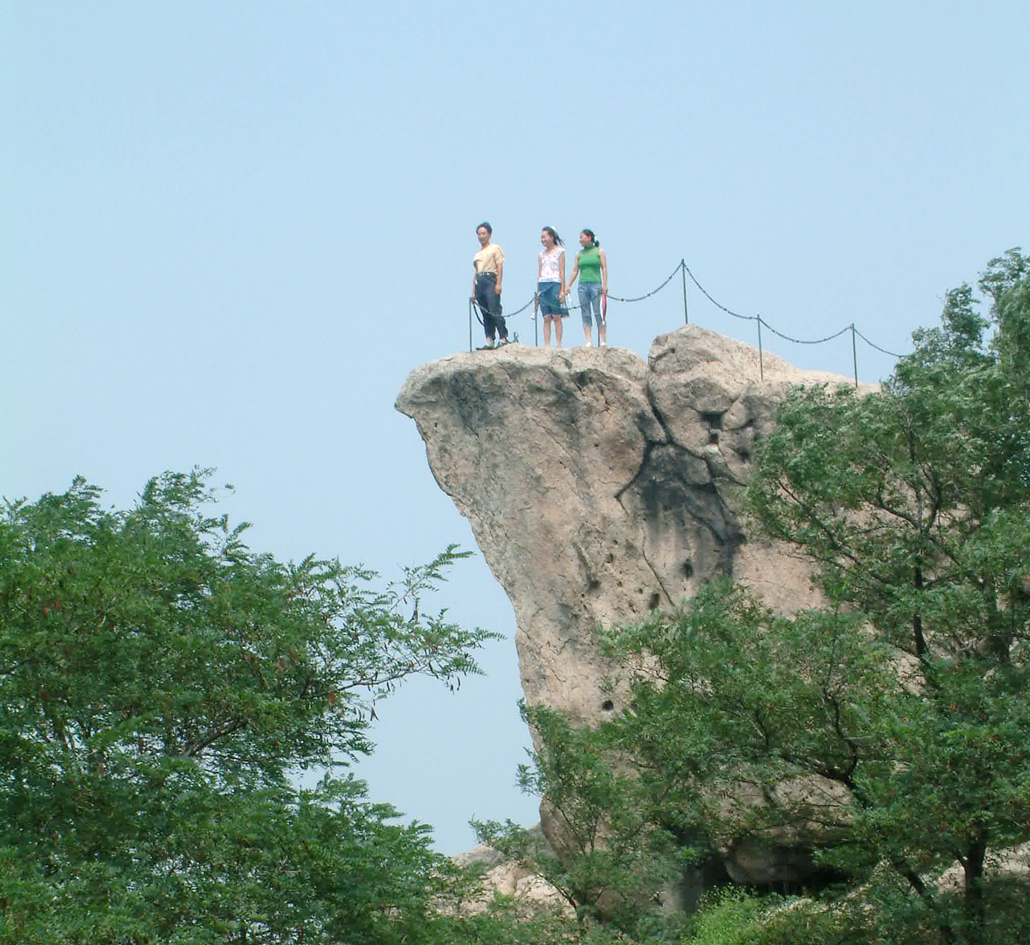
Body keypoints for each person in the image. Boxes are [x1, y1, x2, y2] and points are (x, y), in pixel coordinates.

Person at [564, 229, 608, 347]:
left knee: (598, 312)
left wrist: (605, 284)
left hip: (596, 284)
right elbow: (575, 270)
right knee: (585, 313)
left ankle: (603, 339)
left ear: (589, 237)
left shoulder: (599, 251)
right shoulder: (579, 253)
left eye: (581, 237)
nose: (579, 240)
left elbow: (604, 268)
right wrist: (568, 285)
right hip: (583, 285)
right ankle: (589, 340)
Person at [471, 222, 509, 348]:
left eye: (484, 233)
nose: (481, 236)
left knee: (494, 309)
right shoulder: (477, 254)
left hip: (490, 279)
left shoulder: (495, 248)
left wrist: (498, 283)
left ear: (489, 234)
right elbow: (476, 273)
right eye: (479, 234)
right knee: (485, 312)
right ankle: (489, 340)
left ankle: (503, 337)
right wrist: (473, 292)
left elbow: (499, 266)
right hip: (480, 281)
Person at [537, 226, 567, 348]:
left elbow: (562, 271)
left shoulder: (560, 252)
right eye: (541, 237)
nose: (542, 239)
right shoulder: (541, 254)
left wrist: (563, 290)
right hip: (543, 283)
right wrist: (538, 291)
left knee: (556, 316)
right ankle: (547, 344)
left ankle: (558, 344)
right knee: (546, 317)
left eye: (544, 237)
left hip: (555, 282)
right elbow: (539, 273)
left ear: (551, 236)